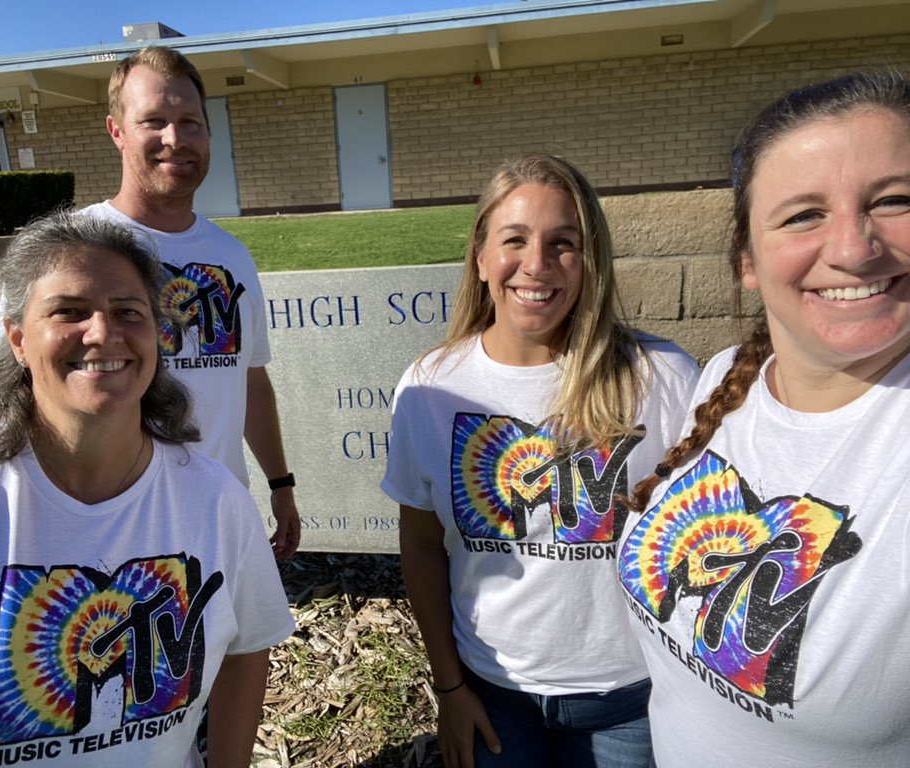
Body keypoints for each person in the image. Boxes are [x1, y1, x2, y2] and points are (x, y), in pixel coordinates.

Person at [0, 212, 295, 767]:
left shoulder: (214, 498)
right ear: (17, 341)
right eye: (69, 312)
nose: (103, 332)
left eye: (128, 311)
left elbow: (248, 647)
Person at [619, 70, 910, 767]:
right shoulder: (725, 376)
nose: (854, 246)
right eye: (803, 214)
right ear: (747, 261)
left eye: (895, 199)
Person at [382, 153, 698, 768]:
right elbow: (421, 545)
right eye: (515, 240)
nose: (537, 264)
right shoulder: (430, 386)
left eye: (563, 243)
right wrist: (448, 688)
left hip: (632, 699)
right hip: (493, 692)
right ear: (479, 256)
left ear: (591, 258)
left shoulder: (662, 378)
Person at [101, 45, 299, 559]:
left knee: (247, 642)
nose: (175, 139)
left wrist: (281, 484)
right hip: (113, 530)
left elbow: (249, 379)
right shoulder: (74, 247)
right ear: (117, 131)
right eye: (153, 121)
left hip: (221, 518)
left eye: (190, 121)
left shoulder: (230, 256)